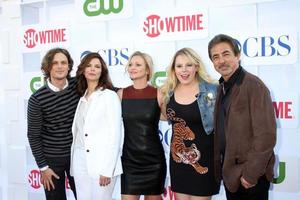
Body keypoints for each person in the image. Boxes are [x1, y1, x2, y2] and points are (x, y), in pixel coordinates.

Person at [208, 34, 276, 200]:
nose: (221, 61)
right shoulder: (221, 88)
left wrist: (250, 175)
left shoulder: (254, 86)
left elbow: (266, 136)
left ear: (237, 56)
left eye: (226, 54)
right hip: (232, 177)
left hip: (250, 180)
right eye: (216, 57)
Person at [160, 48, 220, 200]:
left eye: (189, 65)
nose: (184, 70)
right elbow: (164, 116)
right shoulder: (168, 92)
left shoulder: (212, 91)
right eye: (179, 66)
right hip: (179, 163)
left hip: (205, 159)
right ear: (174, 69)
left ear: (197, 67)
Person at [70, 52, 124, 200]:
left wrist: (107, 169)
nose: (92, 69)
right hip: (80, 159)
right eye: (89, 65)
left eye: (97, 66)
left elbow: (115, 135)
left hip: (102, 162)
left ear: (102, 71)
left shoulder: (109, 96)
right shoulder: (82, 97)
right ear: (83, 70)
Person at [27, 48, 79, 200]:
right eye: (55, 63)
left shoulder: (78, 85)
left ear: (69, 66)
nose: (60, 66)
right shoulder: (37, 99)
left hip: (77, 157)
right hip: (51, 162)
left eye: (63, 62)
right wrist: (43, 168)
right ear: (47, 68)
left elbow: (100, 86)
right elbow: (33, 135)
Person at [117, 51, 166, 200]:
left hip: (154, 162)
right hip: (129, 162)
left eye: (138, 64)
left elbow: (169, 118)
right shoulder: (121, 94)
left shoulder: (159, 94)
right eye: (130, 64)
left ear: (147, 70)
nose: (132, 67)